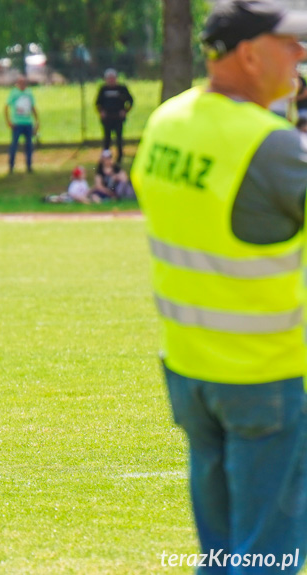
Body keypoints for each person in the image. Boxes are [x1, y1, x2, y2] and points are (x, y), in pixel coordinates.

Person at [132, 0, 307, 568]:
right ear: (251, 55)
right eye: (292, 44)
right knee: (268, 556)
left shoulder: (167, 121)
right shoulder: (271, 144)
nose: (302, 56)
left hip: (189, 372)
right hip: (261, 377)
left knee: (223, 548)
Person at [95, 68, 134, 164]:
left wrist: (125, 111)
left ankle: (120, 156)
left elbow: (130, 101)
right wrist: (101, 112)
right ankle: (106, 157)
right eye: (109, 78)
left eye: (113, 78)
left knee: (119, 138)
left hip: (118, 118)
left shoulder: (122, 89)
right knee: (107, 139)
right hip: (107, 118)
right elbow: (97, 103)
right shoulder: (103, 89)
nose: (111, 80)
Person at [4, 74, 39, 174]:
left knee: (29, 145)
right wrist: (9, 121)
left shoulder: (29, 93)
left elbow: (32, 107)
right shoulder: (14, 93)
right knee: (14, 145)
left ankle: (29, 165)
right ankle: (11, 165)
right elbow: (6, 107)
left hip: (28, 123)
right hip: (17, 123)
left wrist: (36, 121)